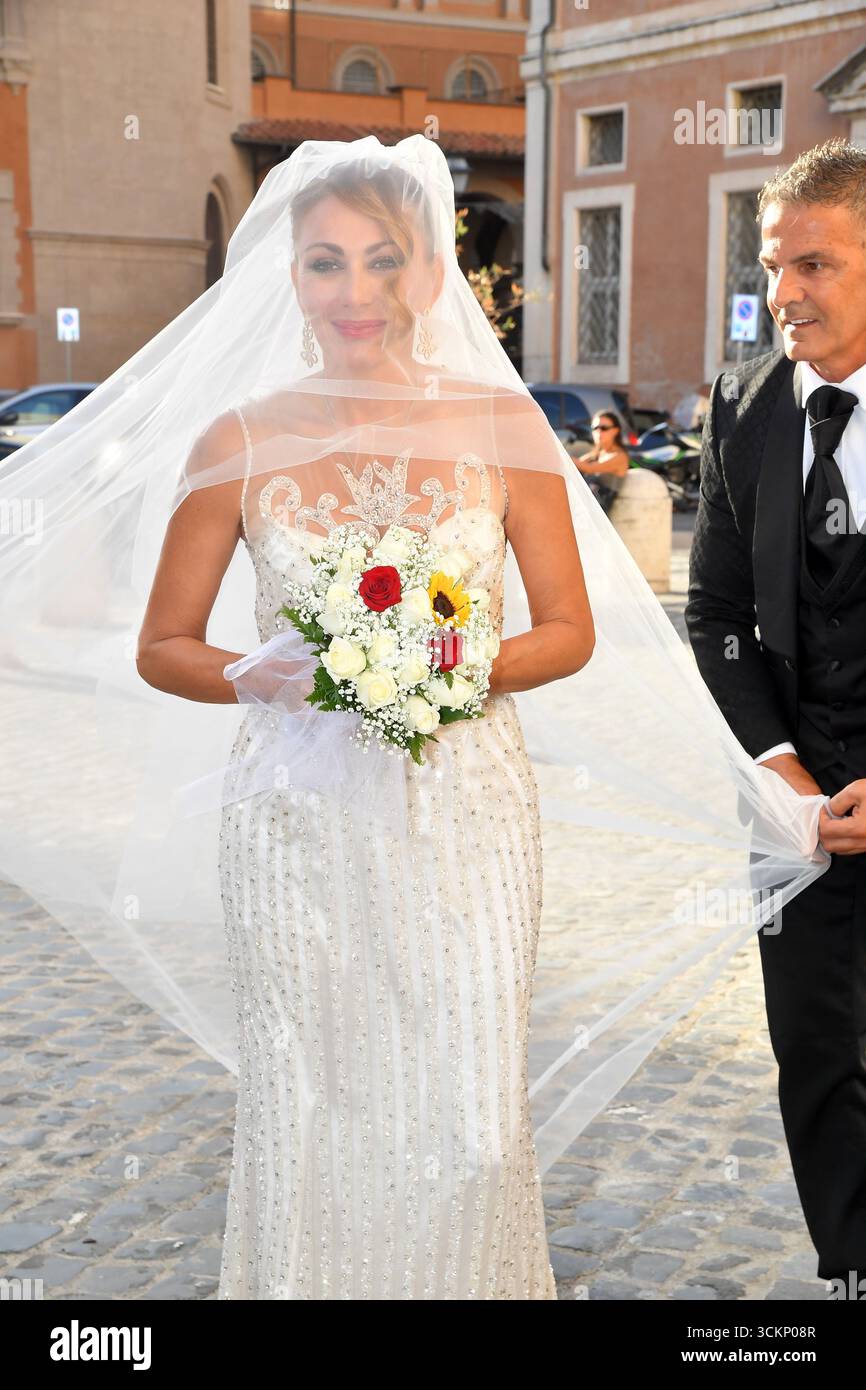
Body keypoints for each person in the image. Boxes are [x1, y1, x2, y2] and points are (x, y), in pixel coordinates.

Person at [0, 133, 833, 1303]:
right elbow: (164, 647)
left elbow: (569, 629)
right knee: (308, 1095)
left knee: (470, 1113)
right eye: (325, 262)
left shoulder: (501, 430)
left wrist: (444, 667)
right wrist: (269, 675)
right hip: (292, 814)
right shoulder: (235, 440)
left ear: (431, 272)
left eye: (382, 260)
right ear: (291, 275)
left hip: (468, 806)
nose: (354, 290)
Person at [686, 136, 866, 1291]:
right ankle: (849, 1267)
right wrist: (782, 766)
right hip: (790, 811)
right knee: (811, 1051)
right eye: (770, 265)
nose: (782, 291)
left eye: (814, 264)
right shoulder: (742, 402)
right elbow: (714, 612)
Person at [571, 411, 630, 513]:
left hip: (599, 516)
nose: (599, 432)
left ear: (615, 431)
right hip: (586, 508)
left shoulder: (620, 456)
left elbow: (589, 468)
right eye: (595, 428)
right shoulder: (598, 453)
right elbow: (574, 465)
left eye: (604, 428)